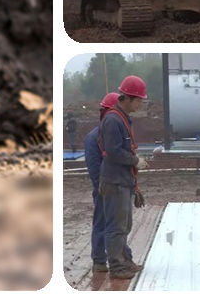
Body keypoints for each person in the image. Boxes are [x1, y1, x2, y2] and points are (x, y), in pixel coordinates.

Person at [99, 76, 149, 280]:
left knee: (124, 225)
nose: (140, 104)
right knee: (116, 227)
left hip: (122, 181)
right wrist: (135, 161)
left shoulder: (121, 118)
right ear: (127, 98)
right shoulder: (113, 120)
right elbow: (113, 151)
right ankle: (117, 267)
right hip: (115, 182)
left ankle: (124, 261)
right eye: (139, 100)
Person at [83, 92, 133, 273]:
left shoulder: (115, 130)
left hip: (116, 184)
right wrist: (103, 187)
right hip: (105, 186)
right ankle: (99, 261)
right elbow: (95, 167)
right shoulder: (93, 137)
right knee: (104, 223)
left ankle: (125, 257)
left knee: (119, 225)